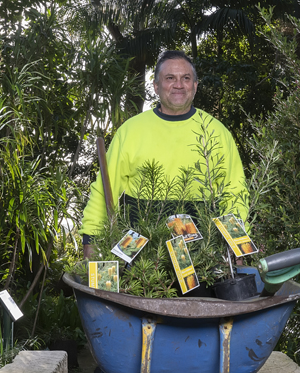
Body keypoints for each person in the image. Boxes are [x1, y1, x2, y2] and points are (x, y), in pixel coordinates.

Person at [81, 50, 248, 257]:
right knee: (128, 287)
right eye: (170, 78)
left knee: (200, 288)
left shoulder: (217, 132)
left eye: (186, 78)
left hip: (201, 253)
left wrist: (238, 247)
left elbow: (235, 194)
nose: (179, 84)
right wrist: (91, 239)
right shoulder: (131, 130)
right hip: (137, 248)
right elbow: (105, 189)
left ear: (195, 86)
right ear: (156, 86)